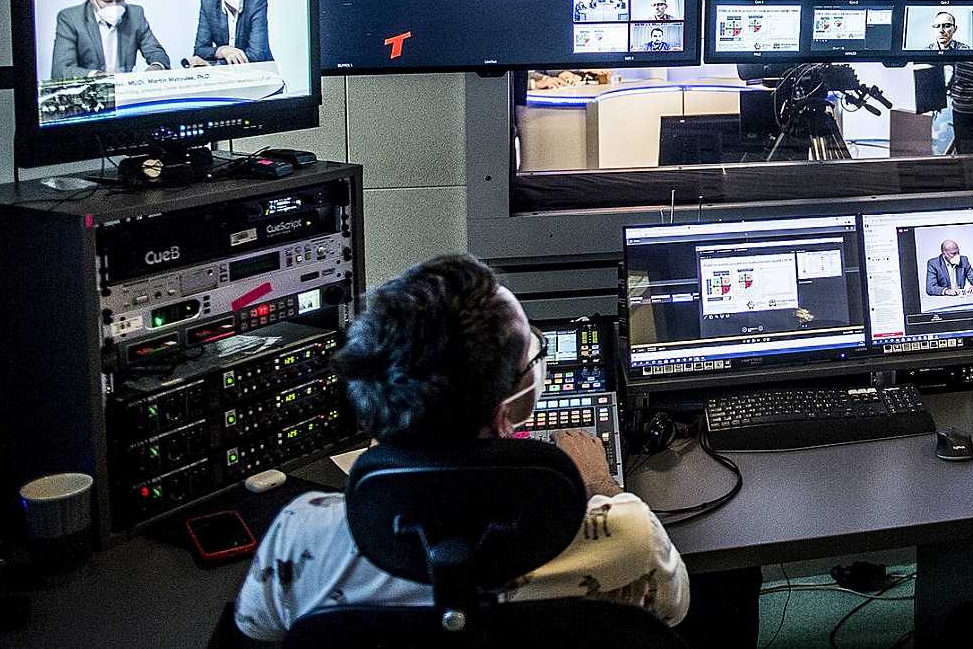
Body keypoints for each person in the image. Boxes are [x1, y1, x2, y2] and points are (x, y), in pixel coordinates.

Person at [231, 255, 689, 642]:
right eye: (531, 354)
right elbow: (676, 606)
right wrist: (601, 484)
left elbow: (256, 628)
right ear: (503, 414)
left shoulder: (299, 534)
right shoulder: (627, 535)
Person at [50, 0, 170, 80]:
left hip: (125, 91)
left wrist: (156, 67)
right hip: (88, 93)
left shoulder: (135, 15)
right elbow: (61, 70)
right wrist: (99, 76)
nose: (114, 6)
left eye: (119, 0)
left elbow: (157, 53)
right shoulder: (71, 19)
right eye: (107, 1)